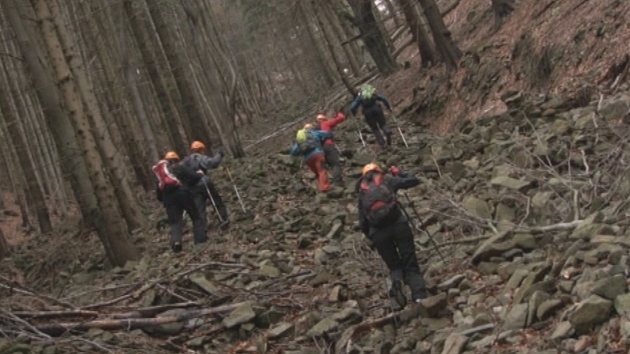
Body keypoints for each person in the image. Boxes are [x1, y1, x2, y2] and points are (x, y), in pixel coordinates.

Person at [356, 163, 428, 307]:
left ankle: (397, 283)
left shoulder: (362, 192)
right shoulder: (388, 180)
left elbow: (363, 222)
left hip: (378, 234)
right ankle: (419, 296)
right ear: (378, 171)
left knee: (395, 267)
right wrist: (399, 172)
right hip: (399, 225)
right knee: (410, 262)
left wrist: (372, 237)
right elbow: (413, 180)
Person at [153, 151, 206, 252]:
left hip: (169, 199)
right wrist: (199, 174)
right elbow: (194, 177)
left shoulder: (161, 177)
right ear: (176, 160)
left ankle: (176, 242)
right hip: (183, 193)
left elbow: (159, 195)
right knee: (196, 217)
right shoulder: (179, 167)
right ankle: (200, 241)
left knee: (175, 222)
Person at [180, 141, 230, 231]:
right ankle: (223, 221)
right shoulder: (199, 158)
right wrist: (219, 154)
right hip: (204, 183)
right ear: (201, 150)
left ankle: (202, 230)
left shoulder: (185, 161)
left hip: (193, 187)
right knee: (217, 202)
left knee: (200, 209)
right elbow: (213, 163)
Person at [290, 123, 334, 192]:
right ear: (311, 128)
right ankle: (325, 188)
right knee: (322, 171)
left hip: (308, 159)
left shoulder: (301, 139)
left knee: (317, 173)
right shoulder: (314, 133)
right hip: (317, 155)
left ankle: (320, 188)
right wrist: (331, 135)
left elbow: (293, 151)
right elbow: (327, 134)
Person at [350, 84, 393, 149]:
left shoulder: (360, 96)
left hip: (367, 113)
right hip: (377, 109)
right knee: (383, 124)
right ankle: (387, 131)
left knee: (374, 128)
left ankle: (383, 144)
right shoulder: (373, 93)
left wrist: (354, 113)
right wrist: (388, 107)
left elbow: (353, 107)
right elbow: (383, 99)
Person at [314, 111, 346, 187]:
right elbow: (341, 118)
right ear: (324, 119)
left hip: (320, 150)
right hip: (328, 145)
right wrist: (339, 112)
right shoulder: (326, 123)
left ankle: (328, 184)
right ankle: (337, 183)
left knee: (330, 166)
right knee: (336, 164)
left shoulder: (313, 130)